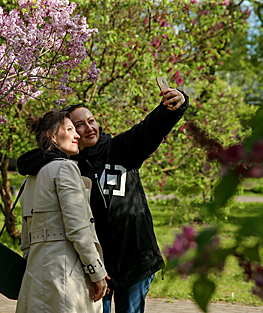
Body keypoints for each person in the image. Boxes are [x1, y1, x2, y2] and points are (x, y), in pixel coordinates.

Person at [61, 85, 190, 313]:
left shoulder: (120, 149)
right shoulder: (66, 168)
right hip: (96, 268)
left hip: (134, 260)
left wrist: (173, 107)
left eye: (91, 120)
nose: (89, 127)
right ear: (69, 131)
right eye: (79, 124)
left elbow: (150, 129)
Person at [15, 110, 108, 313]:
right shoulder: (65, 168)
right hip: (66, 273)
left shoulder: (29, 178)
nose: (77, 135)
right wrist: (97, 272)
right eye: (70, 129)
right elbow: (79, 228)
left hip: (35, 273)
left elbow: (26, 240)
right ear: (52, 136)